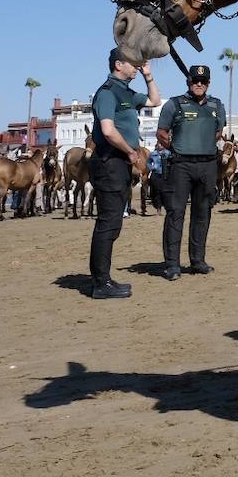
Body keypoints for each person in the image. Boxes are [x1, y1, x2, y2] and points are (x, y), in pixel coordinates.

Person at [88, 48, 161, 299]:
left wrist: (148, 76)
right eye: (133, 63)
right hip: (109, 161)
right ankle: (100, 283)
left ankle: (104, 279)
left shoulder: (126, 92)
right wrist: (130, 152)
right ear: (119, 64)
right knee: (108, 223)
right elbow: (108, 131)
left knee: (114, 222)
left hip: (118, 164)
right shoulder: (107, 92)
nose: (136, 66)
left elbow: (154, 101)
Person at [155, 65, 226, 280]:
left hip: (207, 166)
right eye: (195, 80)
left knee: (202, 214)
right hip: (181, 166)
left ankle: (198, 260)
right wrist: (177, 148)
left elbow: (218, 131)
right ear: (188, 82)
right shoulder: (174, 104)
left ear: (208, 83)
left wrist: (202, 148)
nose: (199, 84)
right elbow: (161, 132)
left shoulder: (217, 105)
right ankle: (172, 265)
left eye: (203, 81)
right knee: (176, 213)